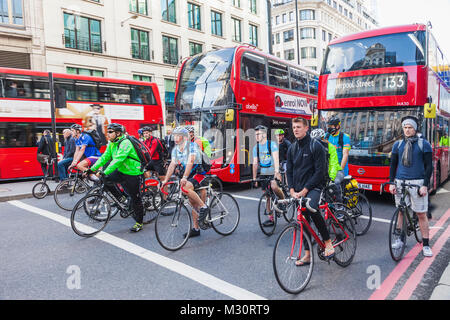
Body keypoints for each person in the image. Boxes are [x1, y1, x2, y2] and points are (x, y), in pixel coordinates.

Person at [286, 117, 335, 265]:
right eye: (294, 127)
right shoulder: (292, 148)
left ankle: (328, 243)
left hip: (315, 187)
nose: (296, 129)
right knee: (303, 220)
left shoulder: (316, 146)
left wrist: (306, 189)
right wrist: (292, 189)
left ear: (306, 128)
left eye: (299, 127)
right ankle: (307, 255)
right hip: (299, 189)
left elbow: (320, 172)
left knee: (312, 208)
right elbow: (289, 171)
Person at [389, 116, 433, 257]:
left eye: (410, 127)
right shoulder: (398, 145)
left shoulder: (423, 144)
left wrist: (425, 185)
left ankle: (425, 244)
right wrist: (391, 182)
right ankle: (400, 240)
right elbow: (393, 165)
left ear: (415, 129)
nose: (407, 130)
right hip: (400, 181)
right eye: (405, 127)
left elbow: (429, 167)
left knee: (421, 214)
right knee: (401, 211)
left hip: (418, 182)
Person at [89, 123, 145, 232]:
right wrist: (92, 169)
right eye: (107, 131)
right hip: (121, 171)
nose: (107, 134)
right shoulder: (112, 143)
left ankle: (139, 223)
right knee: (104, 180)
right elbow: (104, 157)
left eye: (110, 132)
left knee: (135, 199)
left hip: (133, 173)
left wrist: (104, 171)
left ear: (118, 133)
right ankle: (121, 198)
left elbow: (118, 160)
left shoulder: (126, 143)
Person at [161, 127, 209, 238]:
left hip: (199, 173)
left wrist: (185, 177)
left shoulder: (192, 146)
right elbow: (172, 165)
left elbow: (191, 161)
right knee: (192, 203)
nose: (176, 138)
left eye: (178, 136)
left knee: (185, 188)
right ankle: (196, 228)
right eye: (175, 136)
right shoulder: (176, 149)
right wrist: (165, 180)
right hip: (189, 176)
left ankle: (204, 207)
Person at [252, 125, 285, 227]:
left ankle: (283, 202)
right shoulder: (256, 148)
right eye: (255, 134)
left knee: (274, 186)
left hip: (273, 171)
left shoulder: (272, 145)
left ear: (264, 134)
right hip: (263, 173)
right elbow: (255, 163)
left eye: (259, 134)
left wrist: (276, 172)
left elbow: (276, 159)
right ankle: (271, 219)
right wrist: (254, 178)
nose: (257, 136)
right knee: (267, 196)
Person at [311, 128, 344, 202]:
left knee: (335, 182)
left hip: (337, 171)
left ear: (323, 138)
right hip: (324, 173)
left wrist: (331, 178)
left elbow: (333, 164)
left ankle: (340, 205)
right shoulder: (313, 148)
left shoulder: (330, 147)